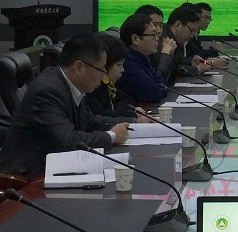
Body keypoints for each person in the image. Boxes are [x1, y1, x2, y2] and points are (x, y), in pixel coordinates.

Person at [0, 34, 130, 178]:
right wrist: (111, 136)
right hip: (26, 177)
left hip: (53, 167)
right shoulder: (48, 91)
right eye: (101, 70)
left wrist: (131, 123)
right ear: (79, 67)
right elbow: (69, 140)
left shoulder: (69, 84)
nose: (103, 75)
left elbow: (90, 120)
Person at [117, 13, 169, 103]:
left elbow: (163, 85)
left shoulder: (143, 58)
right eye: (153, 34)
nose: (157, 38)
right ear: (135, 39)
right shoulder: (128, 63)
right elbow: (154, 93)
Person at [84, 33, 138, 119]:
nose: (122, 70)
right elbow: (100, 115)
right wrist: (128, 113)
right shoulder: (90, 88)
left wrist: (120, 110)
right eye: (119, 65)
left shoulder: (109, 86)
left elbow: (127, 99)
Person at [156, 4, 210, 82]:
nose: (192, 36)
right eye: (191, 30)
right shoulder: (163, 40)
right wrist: (196, 69)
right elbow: (166, 70)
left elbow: (178, 61)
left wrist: (191, 62)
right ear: (178, 25)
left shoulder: (175, 38)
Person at [185, 2, 228, 67]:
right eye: (205, 17)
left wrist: (214, 52)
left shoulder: (196, 34)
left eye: (209, 19)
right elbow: (195, 56)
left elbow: (199, 53)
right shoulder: (188, 35)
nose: (207, 22)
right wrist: (212, 63)